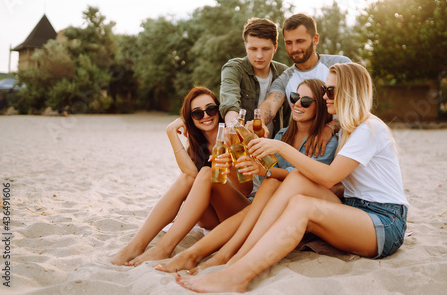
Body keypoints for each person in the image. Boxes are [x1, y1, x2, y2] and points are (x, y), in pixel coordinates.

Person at [176, 63, 409, 293]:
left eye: (330, 91)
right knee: (296, 181)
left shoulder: (368, 128)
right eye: (325, 90)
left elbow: (329, 177)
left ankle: (238, 274)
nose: (326, 95)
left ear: (349, 92)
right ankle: (235, 257)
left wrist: (281, 148)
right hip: (355, 210)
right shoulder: (349, 127)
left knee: (302, 205)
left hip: (384, 221)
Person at [153, 79, 339, 274]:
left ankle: (205, 255)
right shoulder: (282, 135)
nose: (298, 103)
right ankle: (190, 253)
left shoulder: (324, 141)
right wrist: (250, 154)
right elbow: (263, 167)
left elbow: (309, 178)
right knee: (227, 181)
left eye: (307, 100)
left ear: (320, 105)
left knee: (267, 187)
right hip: (262, 202)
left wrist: (263, 170)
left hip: (290, 213)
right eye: (295, 97)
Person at [111, 86, 252, 266]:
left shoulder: (235, 136)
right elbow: (191, 176)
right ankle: (135, 246)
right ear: (190, 119)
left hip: (238, 212)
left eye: (211, 109)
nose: (206, 116)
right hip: (210, 221)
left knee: (207, 172)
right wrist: (171, 133)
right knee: (189, 178)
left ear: (219, 110)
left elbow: (246, 188)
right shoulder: (196, 147)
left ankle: (164, 248)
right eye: (197, 113)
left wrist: (230, 158)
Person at [259, 13, 351, 157]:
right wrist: (258, 122)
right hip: (314, 153)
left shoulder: (340, 65)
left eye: (300, 41)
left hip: (347, 148)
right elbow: (271, 103)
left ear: (315, 39)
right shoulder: (285, 78)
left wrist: (330, 127)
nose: (294, 48)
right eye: (289, 43)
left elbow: (358, 106)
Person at [219, 17, 290, 136]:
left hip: (275, 145)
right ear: (245, 46)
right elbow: (229, 100)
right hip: (241, 142)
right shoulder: (234, 68)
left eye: (265, 49)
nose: (259, 55)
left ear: (275, 47)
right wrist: (234, 127)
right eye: (253, 49)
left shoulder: (284, 72)